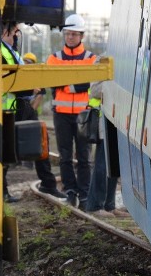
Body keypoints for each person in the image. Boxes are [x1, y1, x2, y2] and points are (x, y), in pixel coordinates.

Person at [1, 21, 66, 202]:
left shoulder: (9, 50)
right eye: (15, 31)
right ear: (4, 31)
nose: (16, 35)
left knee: (41, 143)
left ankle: (48, 184)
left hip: (22, 107)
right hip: (8, 110)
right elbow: (7, 80)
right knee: (5, 152)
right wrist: (31, 89)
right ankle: (2, 192)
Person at [46, 14, 97, 209]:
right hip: (61, 114)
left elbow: (92, 83)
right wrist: (76, 84)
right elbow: (51, 82)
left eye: (74, 34)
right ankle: (70, 192)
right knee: (65, 156)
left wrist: (69, 86)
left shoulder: (91, 59)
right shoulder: (54, 58)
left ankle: (84, 195)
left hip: (83, 115)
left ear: (81, 36)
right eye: (68, 34)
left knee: (84, 157)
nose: (70, 38)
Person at [84, 80, 125, 218]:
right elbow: (94, 91)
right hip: (104, 124)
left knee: (113, 164)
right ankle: (94, 205)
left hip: (117, 122)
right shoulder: (102, 61)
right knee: (101, 165)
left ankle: (109, 205)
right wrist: (116, 87)